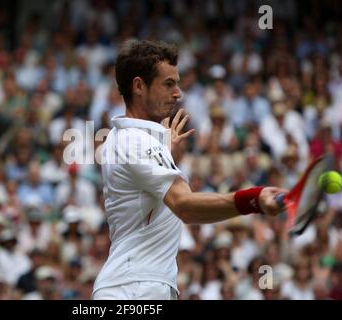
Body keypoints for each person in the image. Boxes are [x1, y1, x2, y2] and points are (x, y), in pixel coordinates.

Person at [92, 39, 286, 300]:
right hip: (135, 290)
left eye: (177, 83)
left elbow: (144, 195)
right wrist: (254, 200)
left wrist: (162, 147)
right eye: (168, 84)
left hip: (137, 286)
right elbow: (184, 205)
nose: (178, 93)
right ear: (139, 86)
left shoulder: (129, 139)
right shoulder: (134, 142)